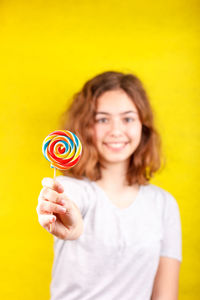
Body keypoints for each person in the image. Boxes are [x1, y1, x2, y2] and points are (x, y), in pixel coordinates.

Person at [37, 71, 182, 300]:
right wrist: (69, 221)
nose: (116, 130)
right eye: (102, 119)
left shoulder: (163, 204)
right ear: (86, 127)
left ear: (142, 126)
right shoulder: (68, 189)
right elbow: (71, 212)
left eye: (127, 118)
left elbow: (165, 295)